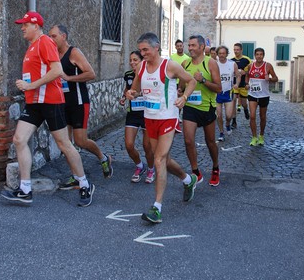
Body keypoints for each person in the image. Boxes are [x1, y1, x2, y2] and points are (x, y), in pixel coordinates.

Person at [1, 12, 95, 207]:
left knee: (64, 145)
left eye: (25, 24)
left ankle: (84, 184)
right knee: (19, 139)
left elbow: (57, 71)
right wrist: (27, 86)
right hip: (34, 103)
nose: (22, 28)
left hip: (51, 102)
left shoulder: (45, 42)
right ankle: (25, 189)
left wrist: (31, 85)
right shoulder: (32, 46)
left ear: (36, 25)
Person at [126, 32, 198, 224]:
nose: (143, 54)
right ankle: (187, 179)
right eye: (141, 50)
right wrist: (131, 93)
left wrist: (184, 97)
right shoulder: (141, 67)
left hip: (168, 117)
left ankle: (156, 208)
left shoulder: (169, 66)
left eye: (145, 50)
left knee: (158, 159)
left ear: (156, 47)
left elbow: (192, 81)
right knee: (164, 160)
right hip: (150, 118)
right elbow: (136, 89)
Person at [48, 24, 113, 189]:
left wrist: (69, 78)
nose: (51, 39)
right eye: (50, 36)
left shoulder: (74, 53)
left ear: (64, 36)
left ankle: (103, 157)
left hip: (78, 102)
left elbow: (91, 73)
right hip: (62, 103)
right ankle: (76, 176)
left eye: (54, 36)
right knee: (66, 143)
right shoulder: (53, 54)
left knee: (81, 141)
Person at [180, 34, 222, 186]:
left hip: (207, 107)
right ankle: (196, 171)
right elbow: (181, 86)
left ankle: (215, 167)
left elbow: (219, 88)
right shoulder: (185, 64)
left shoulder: (210, 63)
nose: (189, 48)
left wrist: (203, 80)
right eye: (189, 45)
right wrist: (180, 92)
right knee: (188, 140)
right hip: (190, 107)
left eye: (193, 45)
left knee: (210, 141)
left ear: (202, 47)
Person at [119, 50, 155, 183]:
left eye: (135, 60)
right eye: (131, 60)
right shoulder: (128, 75)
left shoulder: (149, 75)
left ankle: (151, 169)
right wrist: (123, 97)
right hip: (133, 113)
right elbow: (127, 89)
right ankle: (140, 165)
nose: (132, 63)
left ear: (142, 61)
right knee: (129, 144)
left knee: (147, 146)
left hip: (147, 114)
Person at [245, 47, 278, 146]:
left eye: (261, 54)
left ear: (263, 55)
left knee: (262, 117)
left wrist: (270, 79)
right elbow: (247, 76)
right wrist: (246, 83)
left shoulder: (268, 66)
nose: (259, 56)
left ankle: (261, 136)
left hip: (264, 95)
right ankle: (254, 137)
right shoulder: (250, 66)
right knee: (252, 116)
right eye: (257, 54)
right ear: (254, 56)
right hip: (252, 94)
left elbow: (276, 78)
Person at [216, 45, 242, 142]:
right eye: (220, 53)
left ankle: (227, 124)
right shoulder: (214, 64)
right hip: (217, 93)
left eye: (223, 53)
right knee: (218, 115)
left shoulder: (232, 64)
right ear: (217, 54)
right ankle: (221, 132)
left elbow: (238, 75)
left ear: (227, 54)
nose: (222, 55)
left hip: (228, 92)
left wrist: (237, 84)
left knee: (228, 115)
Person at [230, 43, 251, 128]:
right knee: (233, 101)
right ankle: (234, 121)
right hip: (234, 85)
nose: (236, 51)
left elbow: (251, 71)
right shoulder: (231, 61)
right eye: (234, 50)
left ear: (241, 50)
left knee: (243, 103)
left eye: (237, 50)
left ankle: (246, 110)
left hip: (243, 85)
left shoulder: (247, 60)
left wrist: (245, 72)